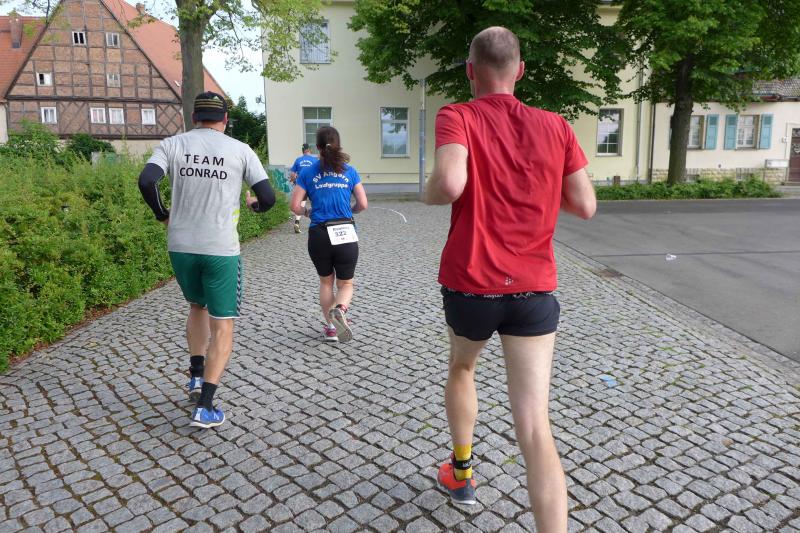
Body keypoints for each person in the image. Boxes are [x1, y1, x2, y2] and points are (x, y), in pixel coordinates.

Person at [423, 27, 596, 531]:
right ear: (519, 70)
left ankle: (461, 473)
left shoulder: (458, 115)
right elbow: (585, 205)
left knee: (463, 367)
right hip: (533, 290)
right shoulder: (556, 125)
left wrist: (427, 191)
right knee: (536, 426)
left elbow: (449, 182)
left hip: (471, 286)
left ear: (470, 71)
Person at [138, 91, 276, 429]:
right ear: (225, 119)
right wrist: (256, 206)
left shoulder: (172, 144)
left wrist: (162, 215)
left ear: (193, 118)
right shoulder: (241, 150)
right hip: (220, 248)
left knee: (197, 306)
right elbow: (268, 198)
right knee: (223, 323)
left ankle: (196, 377)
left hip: (181, 246)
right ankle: (206, 406)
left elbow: (147, 180)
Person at [290, 126, 368, 342]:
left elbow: (295, 206)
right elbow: (363, 204)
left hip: (319, 233)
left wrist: (308, 213)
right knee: (346, 284)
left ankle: (332, 329)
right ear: (339, 145)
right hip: (345, 231)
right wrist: (350, 211)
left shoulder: (307, 173)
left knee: (326, 282)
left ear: (317, 147)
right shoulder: (349, 171)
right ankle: (341, 309)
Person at [289, 144, 317, 233]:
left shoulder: (298, 160)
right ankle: (317, 222)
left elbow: (292, 174)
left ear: (302, 151)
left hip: (302, 186)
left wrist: (295, 182)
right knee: (315, 203)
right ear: (309, 150)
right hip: (313, 184)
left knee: (301, 203)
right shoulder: (315, 160)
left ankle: (297, 222)